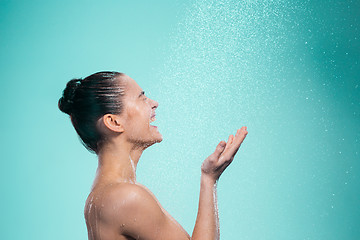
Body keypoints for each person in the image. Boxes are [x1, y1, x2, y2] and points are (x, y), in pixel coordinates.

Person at [58, 71, 248, 240]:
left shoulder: (102, 197)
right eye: (142, 98)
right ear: (114, 122)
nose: (154, 103)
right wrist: (210, 179)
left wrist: (208, 177)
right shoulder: (126, 197)